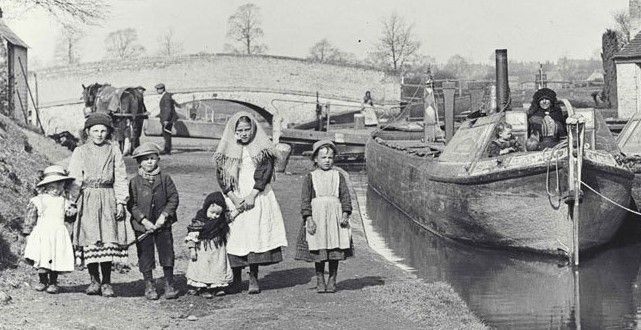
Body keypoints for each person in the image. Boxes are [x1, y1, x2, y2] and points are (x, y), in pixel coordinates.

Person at [213, 111, 288, 294]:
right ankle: (236, 277)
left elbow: (265, 172)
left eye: (247, 129)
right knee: (235, 235)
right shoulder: (226, 150)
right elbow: (222, 176)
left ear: (253, 129)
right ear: (234, 131)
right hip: (235, 195)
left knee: (254, 233)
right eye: (240, 130)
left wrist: (252, 195)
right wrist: (233, 197)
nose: (244, 133)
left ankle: (253, 276)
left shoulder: (262, 148)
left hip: (256, 193)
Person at [68, 112, 135, 297]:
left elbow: (121, 177)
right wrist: (72, 202)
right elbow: (74, 179)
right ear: (88, 132)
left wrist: (121, 202)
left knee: (107, 240)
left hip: (108, 198)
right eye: (95, 130)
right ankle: (94, 280)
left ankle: (106, 282)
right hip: (87, 198)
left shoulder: (114, 150)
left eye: (103, 130)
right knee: (90, 240)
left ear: (108, 132)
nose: (99, 134)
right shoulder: (80, 151)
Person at [295, 140, 353, 293]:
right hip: (318, 216)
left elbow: (345, 196)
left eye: (330, 158)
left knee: (335, 248)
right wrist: (308, 218)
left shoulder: (338, 176)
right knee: (319, 248)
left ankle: (332, 279)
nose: (327, 161)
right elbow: (305, 199)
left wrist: (345, 213)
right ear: (315, 159)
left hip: (335, 216)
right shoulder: (311, 177)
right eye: (323, 158)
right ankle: (320, 278)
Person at [127, 142, 180, 300]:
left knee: (167, 253)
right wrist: (143, 221)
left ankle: (169, 283)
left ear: (158, 159)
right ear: (139, 163)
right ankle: (149, 285)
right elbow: (132, 204)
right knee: (145, 254)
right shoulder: (134, 182)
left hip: (163, 226)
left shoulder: (165, 179)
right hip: (143, 227)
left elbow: (173, 198)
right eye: (145, 159)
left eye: (152, 158)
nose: (150, 162)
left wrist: (164, 216)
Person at [22, 165, 77, 294]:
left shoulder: (64, 201)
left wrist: (72, 212)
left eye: (59, 186)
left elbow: (69, 218)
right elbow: (30, 217)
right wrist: (27, 233)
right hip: (43, 233)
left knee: (55, 257)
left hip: (58, 233)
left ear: (64, 186)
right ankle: (42, 280)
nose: (56, 190)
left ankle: (53, 282)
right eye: (52, 186)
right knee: (42, 257)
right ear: (45, 187)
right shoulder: (38, 200)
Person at [185, 192, 238, 298]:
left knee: (217, 267)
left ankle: (217, 287)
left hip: (217, 249)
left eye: (218, 214)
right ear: (206, 208)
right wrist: (192, 250)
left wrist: (240, 208)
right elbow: (192, 235)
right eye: (212, 212)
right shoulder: (199, 221)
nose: (215, 216)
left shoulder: (221, 220)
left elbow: (232, 215)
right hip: (203, 250)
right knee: (203, 267)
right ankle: (203, 288)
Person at [155, 83, 182, 155]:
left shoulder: (166, 97)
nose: (157, 91)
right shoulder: (167, 96)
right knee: (166, 134)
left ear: (162, 89)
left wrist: (166, 120)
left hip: (168, 119)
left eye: (158, 89)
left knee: (166, 134)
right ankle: (167, 149)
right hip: (168, 118)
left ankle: (167, 150)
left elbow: (168, 109)